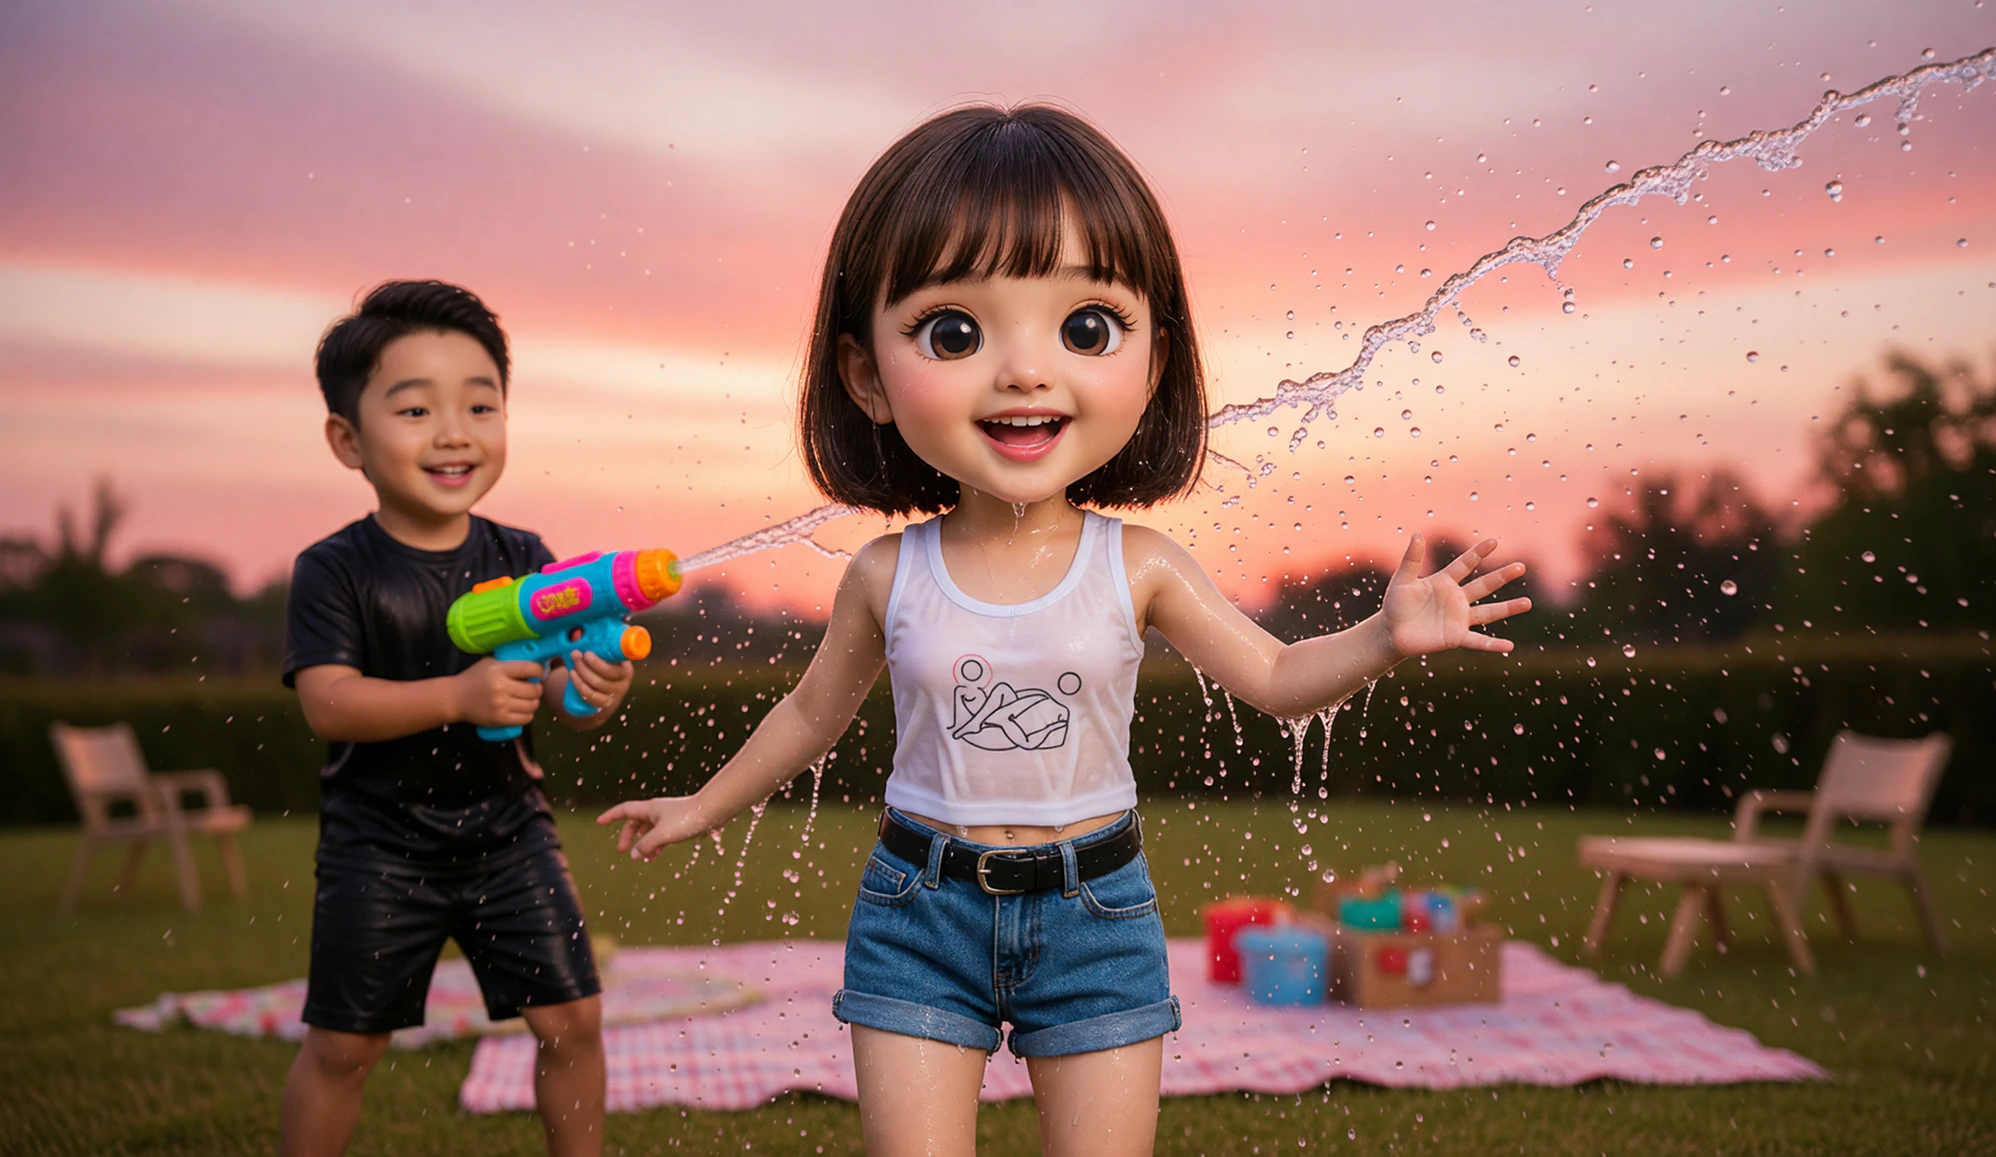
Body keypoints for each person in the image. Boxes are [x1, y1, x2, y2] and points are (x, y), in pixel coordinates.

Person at [598, 105, 1532, 1157]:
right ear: (865, 375)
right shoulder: (884, 573)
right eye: (954, 331)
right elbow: (812, 712)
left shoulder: (1134, 565)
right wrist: (704, 803)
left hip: (1096, 914)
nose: (1023, 371)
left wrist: (1380, 636)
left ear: (1152, 359)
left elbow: (1271, 675)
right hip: (918, 908)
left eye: (1084, 327)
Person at [279, 280, 626, 1157]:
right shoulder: (335, 570)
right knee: (345, 1045)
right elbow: (328, 702)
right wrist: (457, 697)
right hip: (379, 842)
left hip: (510, 832)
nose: (454, 431)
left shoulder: (524, 560)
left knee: (572, 1019)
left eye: (481, 403)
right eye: (415, 408)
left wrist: (588, 687)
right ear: (347, 440)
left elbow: (554, 694)